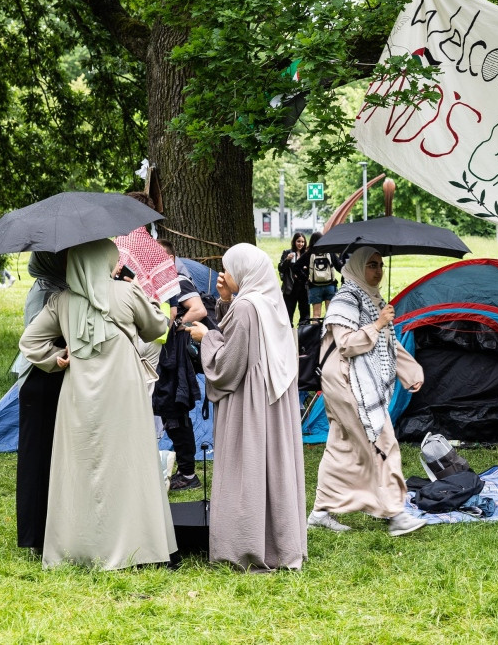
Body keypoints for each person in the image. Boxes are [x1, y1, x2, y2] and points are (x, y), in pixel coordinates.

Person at [19, 239, 176, 570]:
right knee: (130, 463)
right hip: (124, 392)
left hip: (79, 395)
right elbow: (157, 328)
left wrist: (55, 358)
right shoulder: (127, 293)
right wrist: (146, 299)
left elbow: (30, 342)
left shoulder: (61, 301)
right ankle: (139, 546)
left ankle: (79, 545)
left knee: (81, 466)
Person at [185, 244, 307, 571]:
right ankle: (279, 542)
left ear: (243, 271)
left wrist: (205, 338)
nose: (224, 274)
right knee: (272, 469)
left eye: (229, 269)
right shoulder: (269, 301)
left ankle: (245, 545)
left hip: (250, 401)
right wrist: (226, 300)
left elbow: (229, 363)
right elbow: (245, 339)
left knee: (248, 466)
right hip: (273, 399)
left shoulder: (245, 307)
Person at [306, 249, 427, 537]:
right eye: (372, 265)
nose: (378, 271)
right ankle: (396, 513)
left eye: (380, 265)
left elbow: (387, 343)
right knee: (382, 440)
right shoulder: (346, 298)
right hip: (346, 380)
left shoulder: (374, 299)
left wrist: (411, 371)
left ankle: (320, 512)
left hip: (355, 379)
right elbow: (347, 344)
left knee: (341, 445)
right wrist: (378, 323)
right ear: (358, 268)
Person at [13, 251, 67, 555]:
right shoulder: (47, 292)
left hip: (50, 379)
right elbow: (33, 342)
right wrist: (57, 356)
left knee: (51, 456)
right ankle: (35, 536)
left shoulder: (56, 287)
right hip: (40, 380)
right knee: (37, 459)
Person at [152, 239, 208, 492]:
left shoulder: (179, 281)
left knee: (175, 413)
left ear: (170, 259)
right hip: (169, 359)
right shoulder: (164, 283)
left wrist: (174, 324)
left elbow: (199, 309)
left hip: (176, 361)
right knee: (171, 412)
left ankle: (188, 473)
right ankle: (184, 470)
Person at [303, 231, 343, 319]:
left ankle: (316, 328)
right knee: (330, 314)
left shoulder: (309, 253)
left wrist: (305, 276)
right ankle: (328, 328)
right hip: (330, 286)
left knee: (316, 314)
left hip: (314, 286)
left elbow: (296, 267)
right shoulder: (329, 252)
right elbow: (339, 267)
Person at [278, 232, 310, 325]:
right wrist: (287, 260)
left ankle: (304, 330)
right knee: (288, 312)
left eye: (302, 242)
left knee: (305, 313)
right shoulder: (287, 252)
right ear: (294, 242)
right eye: (298, 241)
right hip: (290, 287)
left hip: (304, 287)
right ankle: (289, 330)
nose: (301, 244)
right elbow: (281, 268)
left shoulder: (306, 254)